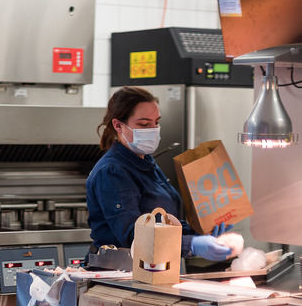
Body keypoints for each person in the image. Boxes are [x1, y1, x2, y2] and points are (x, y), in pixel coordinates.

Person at [86, 86, 232, 262]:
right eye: (144, 124)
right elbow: (133, 236)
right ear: (118, 125)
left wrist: (199, 232)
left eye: (157, 122)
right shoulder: (113, 171)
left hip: (155, 267)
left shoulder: (146, 163)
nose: (153, 129)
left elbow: (161, 223)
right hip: (118, 271)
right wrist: (191, 244)